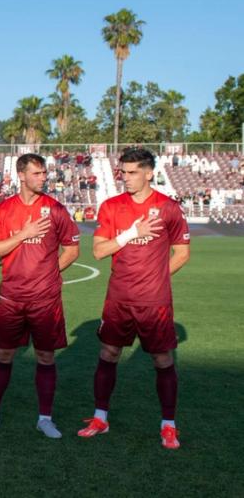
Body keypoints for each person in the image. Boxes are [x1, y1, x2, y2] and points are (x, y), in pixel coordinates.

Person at [77, 148, 190, 450]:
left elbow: (182, 253)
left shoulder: (168, 208)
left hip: (155, 300)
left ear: (149, 173)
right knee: (109, 353)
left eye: (132, 172)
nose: (125, 178)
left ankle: (168, 425)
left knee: (162, 358)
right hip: (119, 297)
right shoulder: (112, 206)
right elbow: (100, 251)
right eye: (123, 172)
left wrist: (157, 279)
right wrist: (130, 233)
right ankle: (101, 417)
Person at [0, 154, 80, 438]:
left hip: (46, 298)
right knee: (4, 353)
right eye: (37, 173)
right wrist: (23, 234)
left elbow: (72, 249)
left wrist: (48, 272)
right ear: (21, 175)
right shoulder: (4, 210)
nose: (44, 177)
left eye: (44, 173)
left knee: (45, 356)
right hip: (12, 297)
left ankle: (45, 418)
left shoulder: (55, 209)